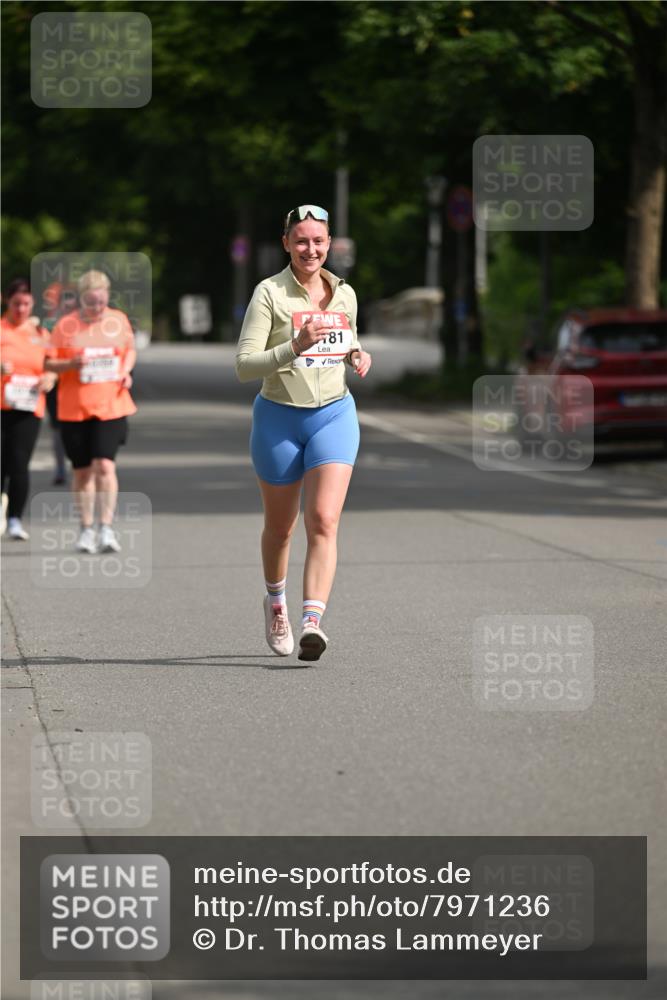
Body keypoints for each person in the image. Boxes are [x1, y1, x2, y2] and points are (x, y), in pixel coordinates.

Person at [236, 204, 372, 662]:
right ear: (287, 244)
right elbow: (243, 365)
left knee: (325, 521)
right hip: (279, 417)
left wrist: (357, 354)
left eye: (318, 241)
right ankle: (277, 603)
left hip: (335, 413)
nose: (310, 249)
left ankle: (312, 621)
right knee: (281, 528)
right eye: (301, 241)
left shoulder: (345, 294)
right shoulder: (269, 293)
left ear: (329, 244)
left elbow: (347, 339)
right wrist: (294, 346)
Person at [45, 270, 136, 554]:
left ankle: (106, 527)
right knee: (82, 471)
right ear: (80, 300)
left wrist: (125, 371)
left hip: (111, 404)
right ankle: (86, 529)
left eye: (100, 302)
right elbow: (48, 363)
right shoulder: (65, 326)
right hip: (75, 408)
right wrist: (71, 363)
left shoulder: (117, 320)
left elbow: (129, 350)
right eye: (90, 303)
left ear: (107, 296)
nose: (96, 308)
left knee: (105, 465)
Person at [1, 278, 56, 540]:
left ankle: (15, 519)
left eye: (25, 303)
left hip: (28, 408)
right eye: (16, 303)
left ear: (32, 303)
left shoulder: (40, 335)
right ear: (6, 302)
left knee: (19, 464)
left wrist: (50, 379)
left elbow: (52, 367)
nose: (21, 309)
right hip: (1, 405)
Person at [42, 281, 78, 485]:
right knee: (56, 427)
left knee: (75, 426)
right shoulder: (48, 326)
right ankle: (60, 468)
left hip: (77, 384)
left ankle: (77, 464)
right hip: (55, 384)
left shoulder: (83, 325)